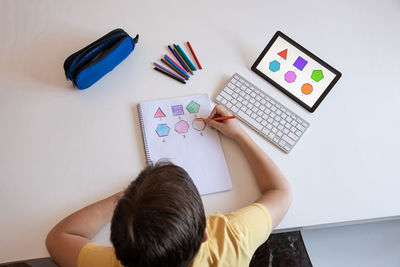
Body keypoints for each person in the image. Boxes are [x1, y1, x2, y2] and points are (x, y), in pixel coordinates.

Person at [46, 105, 292, 267]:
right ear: (205, 233)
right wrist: (239, 134)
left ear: (119, 248)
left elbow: (59, 238)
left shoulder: (116, 264)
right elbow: (280, 191)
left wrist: (128, 198)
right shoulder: (231, 239)